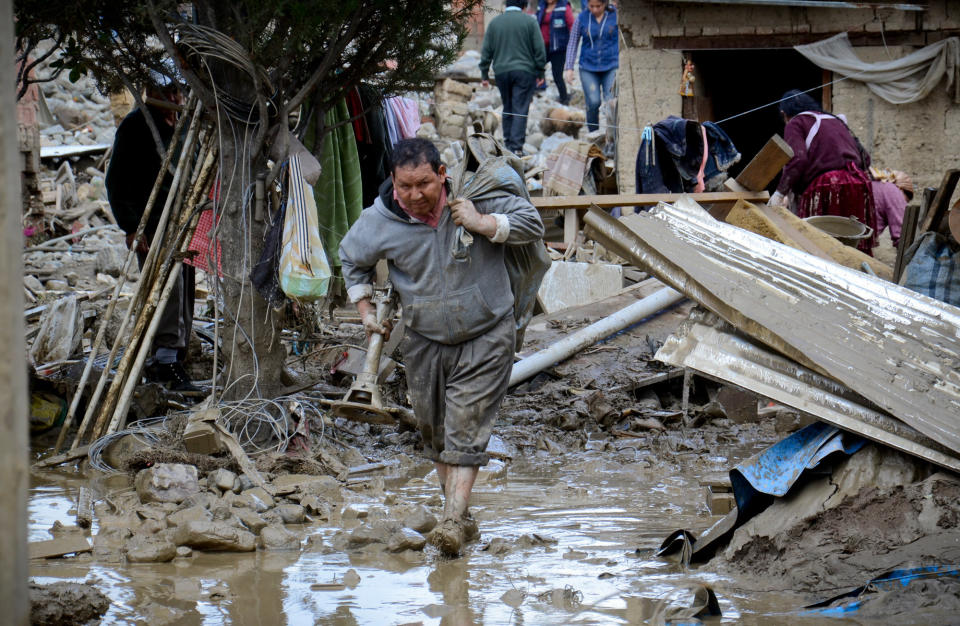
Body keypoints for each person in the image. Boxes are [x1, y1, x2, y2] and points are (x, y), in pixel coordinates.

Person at [339, 138, 544, 556]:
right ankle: (462, 516)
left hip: (488, 330)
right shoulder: (378, 221)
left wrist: (483, 222)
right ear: (393, 183)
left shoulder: (475, 199)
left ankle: (451, 521)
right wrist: (365, 312)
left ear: (442, 176)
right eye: (404, 186)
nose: (414, 196)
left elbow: (532, 224)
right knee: (435, 433)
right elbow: (351, 258)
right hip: (425, 338)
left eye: (424, 185)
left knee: (466, 423)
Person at [106, 80, 199, 393]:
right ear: (150, 92)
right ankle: (164, 360)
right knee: (164, 290)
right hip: (153, 224)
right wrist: (132, 225)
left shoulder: (184, 125)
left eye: (177, 91)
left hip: (183, 219)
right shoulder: (136, 125)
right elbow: (116, 180)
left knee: (184, 287)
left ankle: (175, 355)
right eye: (167, 92)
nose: (174, 98)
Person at [770, 89, 877, 253]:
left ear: (784, 114)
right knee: (854, 244)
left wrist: (780, 192)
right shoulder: (835, 120)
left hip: (827, 187)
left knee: (820, 246)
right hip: (857, 184)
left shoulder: (796, 122)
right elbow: (865, 158)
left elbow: (798, 159)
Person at [480, 0, 547, 155]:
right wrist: (540, 71)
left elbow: (486, 51)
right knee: (520, 107)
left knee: (508, 106)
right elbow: (539, 50)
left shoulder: (495, 23)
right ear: (524, 5)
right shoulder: (530, 22)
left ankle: (508, 143)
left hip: (502, 72)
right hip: (525, 72)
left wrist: (484, 73)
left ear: (505, 4)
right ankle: (516, 147)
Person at [564, 0, 619, 133]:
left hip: (610, 65)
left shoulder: (615, 16)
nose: (595, 9)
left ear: (605, 4)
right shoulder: (582, 18)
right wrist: (569, 68)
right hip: (588, 66)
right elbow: (573, 43)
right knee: (593, 102)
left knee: (611, 102)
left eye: (598, 6)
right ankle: (593, 133)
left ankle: (612, 138)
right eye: (591, 6)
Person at [537, 0, 574, 105]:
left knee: (557, 75)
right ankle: (538, 89)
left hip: (558, 48)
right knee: (535, 68)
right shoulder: (541, 6)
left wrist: (572, 44)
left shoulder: (564, 7)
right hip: (542, 46)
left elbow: (572, 25)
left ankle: (564, 98)